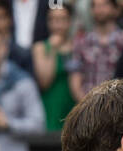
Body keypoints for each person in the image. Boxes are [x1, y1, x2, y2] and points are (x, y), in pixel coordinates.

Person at [69, 0, 123, 100]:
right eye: (95, 6)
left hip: (120, 106)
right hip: (88, 105)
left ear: (116, 9)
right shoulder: (81, 42)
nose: (99, 10)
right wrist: (86, 105)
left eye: (104, 5)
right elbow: (75, 78)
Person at [32, 0, 75, 129]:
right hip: (50, 105)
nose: (58, 25)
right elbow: (44, 81)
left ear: (70, 21)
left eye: (62, 20)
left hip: (72, 103)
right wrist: (51, 49)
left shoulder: (78, 45)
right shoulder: (40, 47)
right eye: (53, 20)